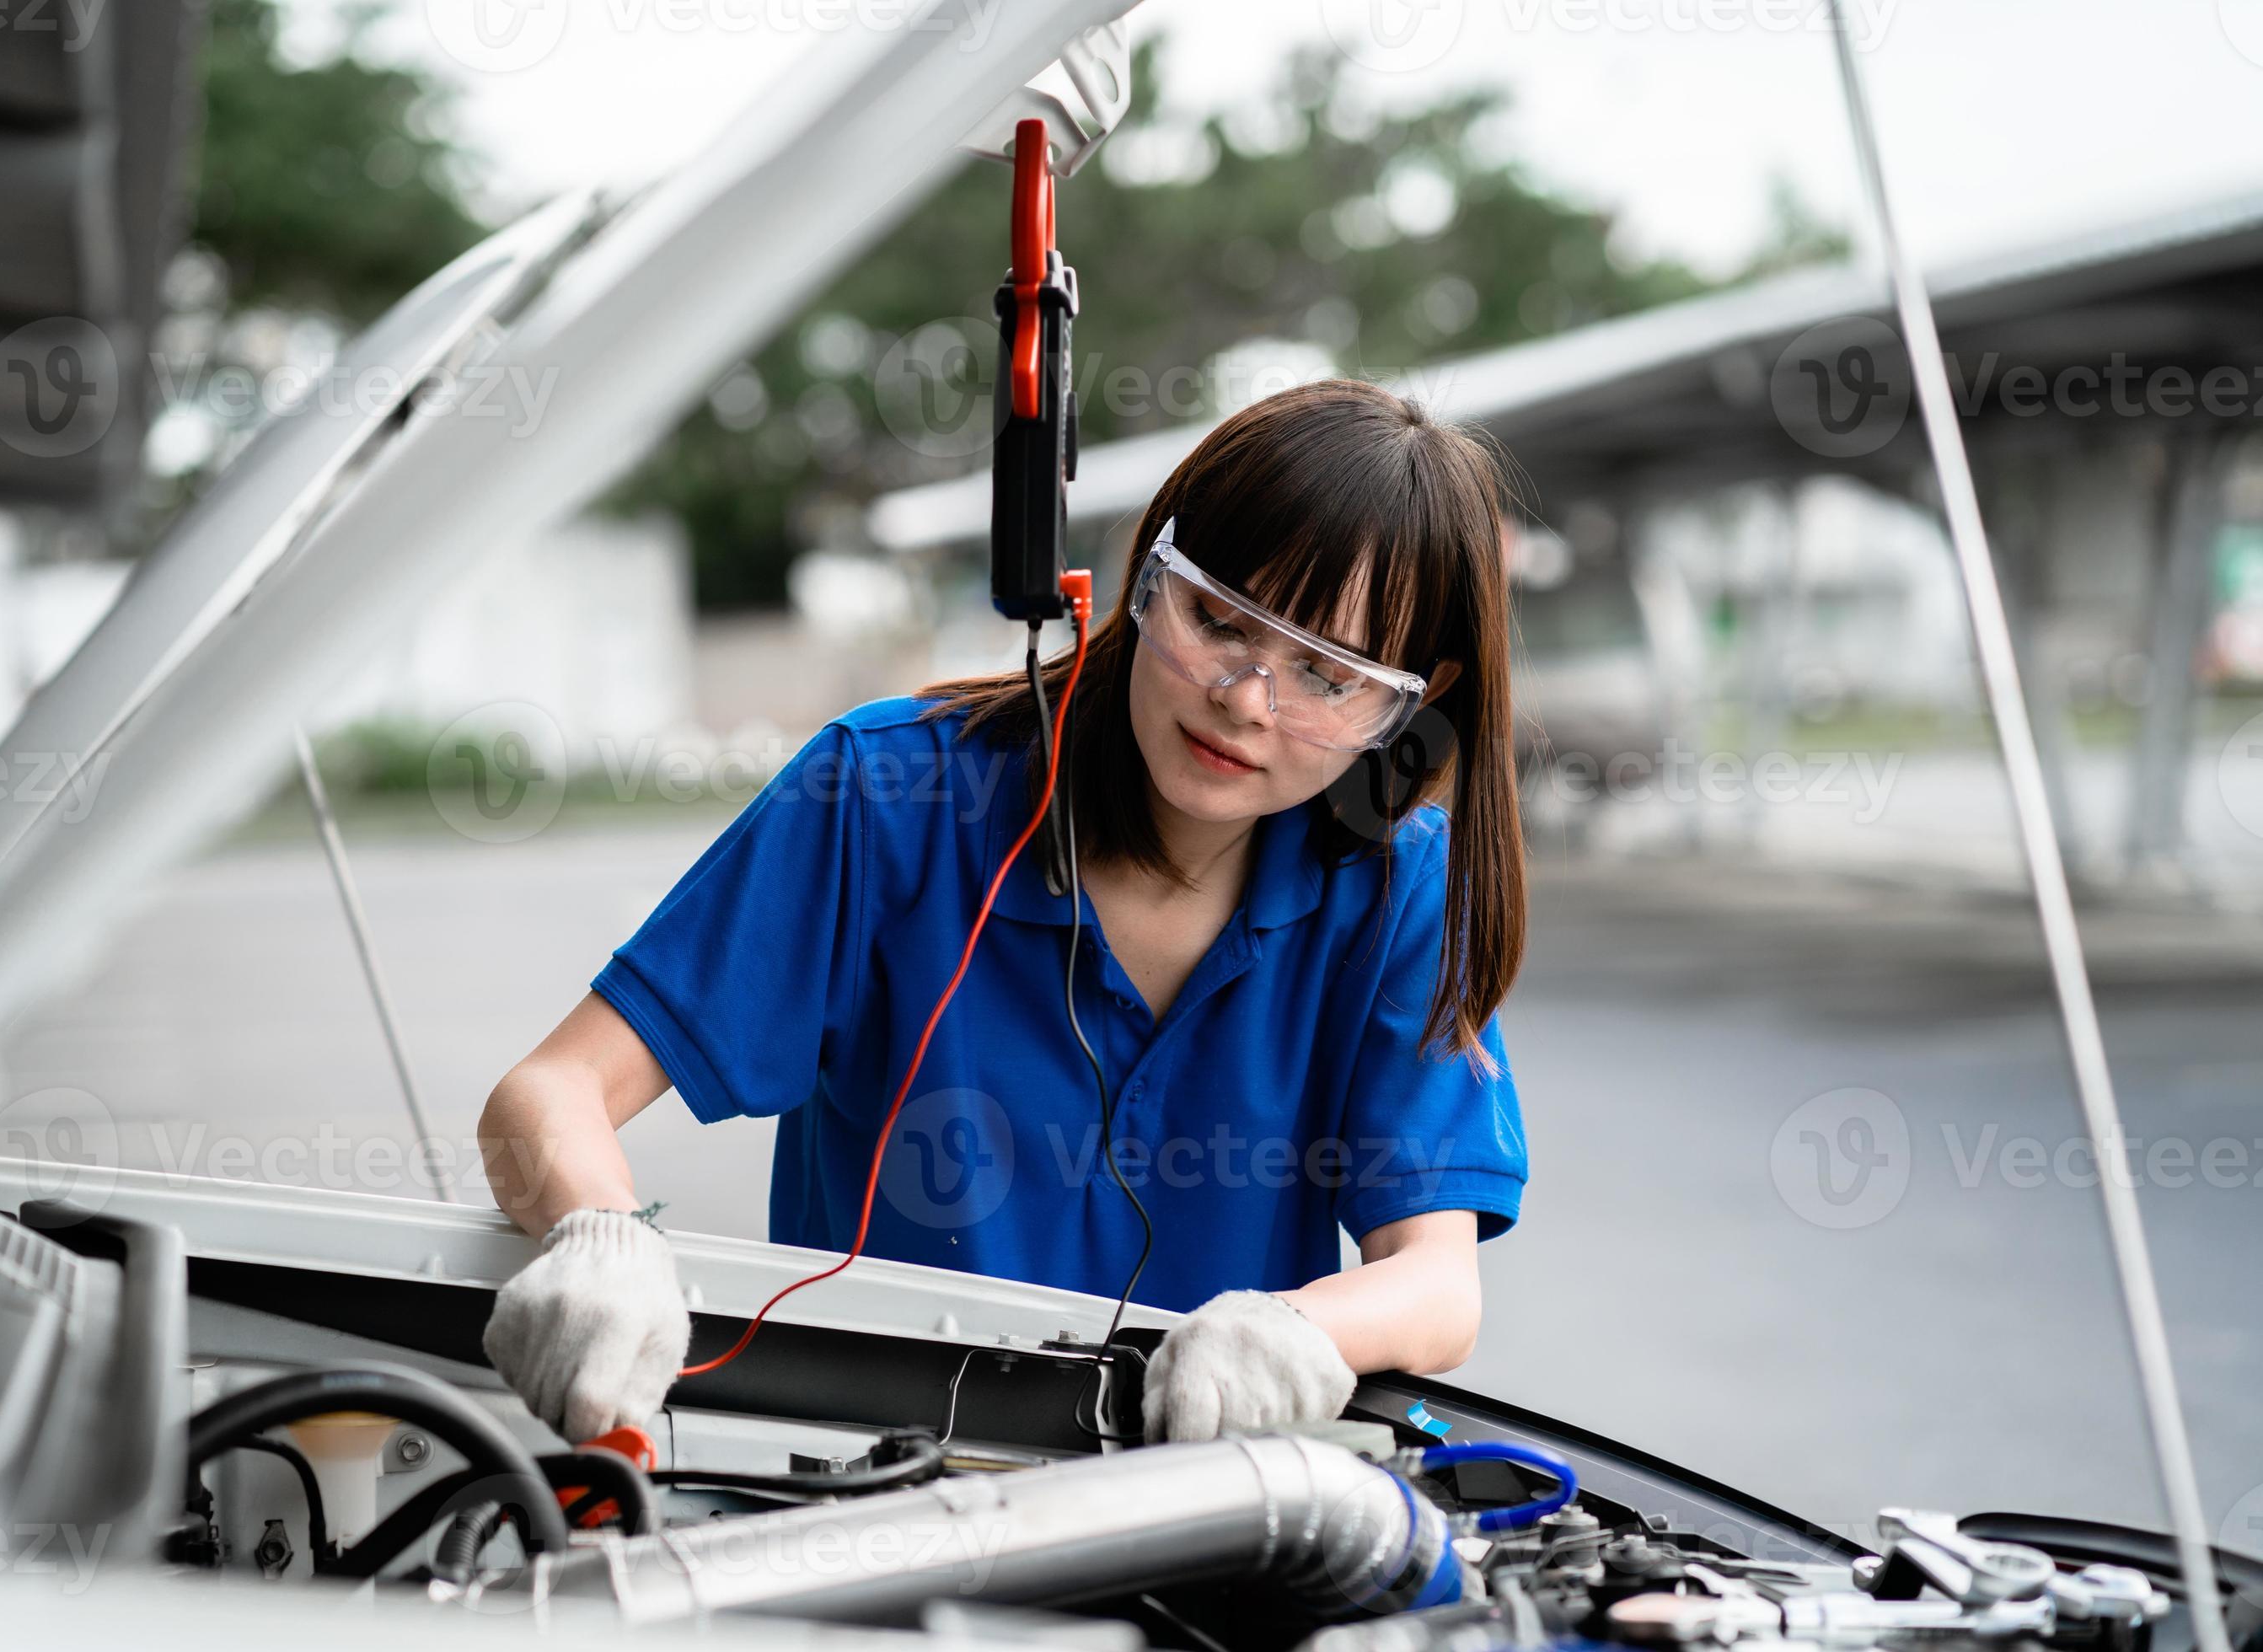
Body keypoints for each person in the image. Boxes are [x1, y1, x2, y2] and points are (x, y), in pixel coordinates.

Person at [476, 378, 1528, 1446]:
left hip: (1195, 1498)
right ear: (1148, 571)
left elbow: (1437, 1284)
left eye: (1325, 675)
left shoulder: (1399, 890)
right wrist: (602, 1236)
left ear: (1412, 703)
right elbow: (548, 1093)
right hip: (852, 1488)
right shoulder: (887, 798)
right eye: (1219, 619)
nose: (1247, 701)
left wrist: (1292, 1327)